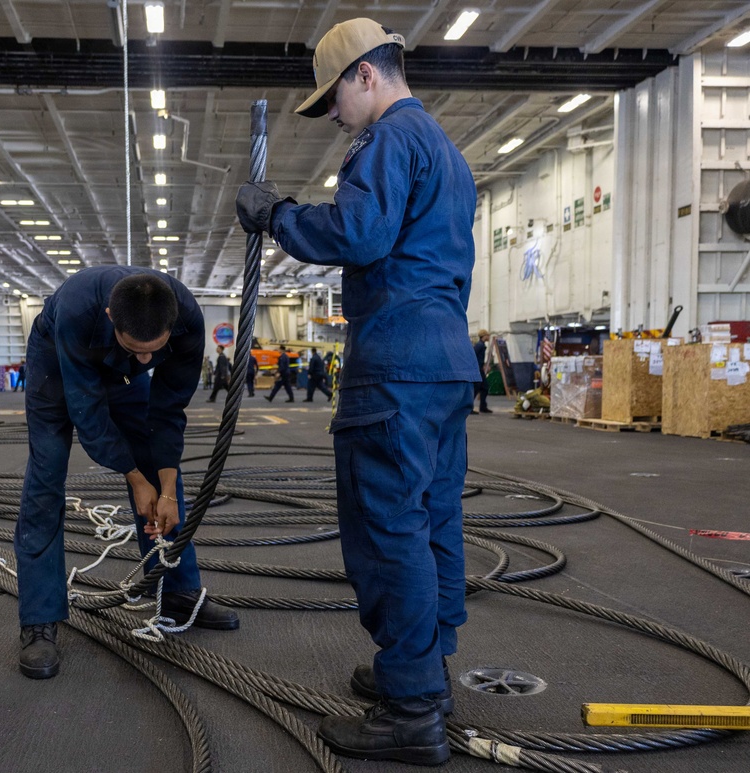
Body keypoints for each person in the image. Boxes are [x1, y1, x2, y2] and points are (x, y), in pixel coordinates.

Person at [236, 18, 480, 765]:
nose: (333, 114)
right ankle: (422, 670)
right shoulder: (451, 156)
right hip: (445, 361)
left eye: (333, 99)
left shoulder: (388, 142)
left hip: (396, 362)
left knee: (387, 527)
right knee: (432, 517)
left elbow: (360, 232)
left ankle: (410, 710)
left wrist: (279, 215)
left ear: (367, 75)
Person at [16, 267, 238, 681]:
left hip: (118, 372)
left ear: (172, 327)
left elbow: (168, 411)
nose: (146, 360)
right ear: (110, 316)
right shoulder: (78, 309)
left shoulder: (187, 317)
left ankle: (175, 591)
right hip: (57, 361)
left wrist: (165, 488)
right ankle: (39, 618)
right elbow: (88, 414)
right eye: (136, 348)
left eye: (154, 352)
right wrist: (136, 480)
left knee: (162, 475)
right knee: (46, 479)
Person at [472, 329, 493, 415]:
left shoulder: (481, 345)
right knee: (476, 389)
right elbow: (474, 356)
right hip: (478, 370)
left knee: (484, 388)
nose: (489, 337)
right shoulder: (479, 346)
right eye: (487, 335)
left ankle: (483, 407)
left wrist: (484, 365)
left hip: (479, 369)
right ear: (484, 336)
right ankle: (471, 407)